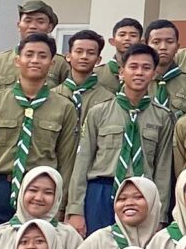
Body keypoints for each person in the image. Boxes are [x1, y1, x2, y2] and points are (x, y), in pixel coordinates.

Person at [0, 36, 80, 232]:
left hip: (40, 191)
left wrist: (61, 205)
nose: (35, 60)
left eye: (42, 56)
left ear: (51, 64)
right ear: (17, 60)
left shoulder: (65, 108)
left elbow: (66, 162)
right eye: (29, 55)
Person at [72, 46, 176, 235]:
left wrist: (160, 215)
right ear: (122, 72)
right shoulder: (99, 112)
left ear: (153, 74)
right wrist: (75, 210)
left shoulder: (162, 116)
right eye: (133, 67)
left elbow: (163, 169)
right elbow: (82, 162)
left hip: (143, 195)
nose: (139, 72)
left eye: (146, 68)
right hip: (102, 192)